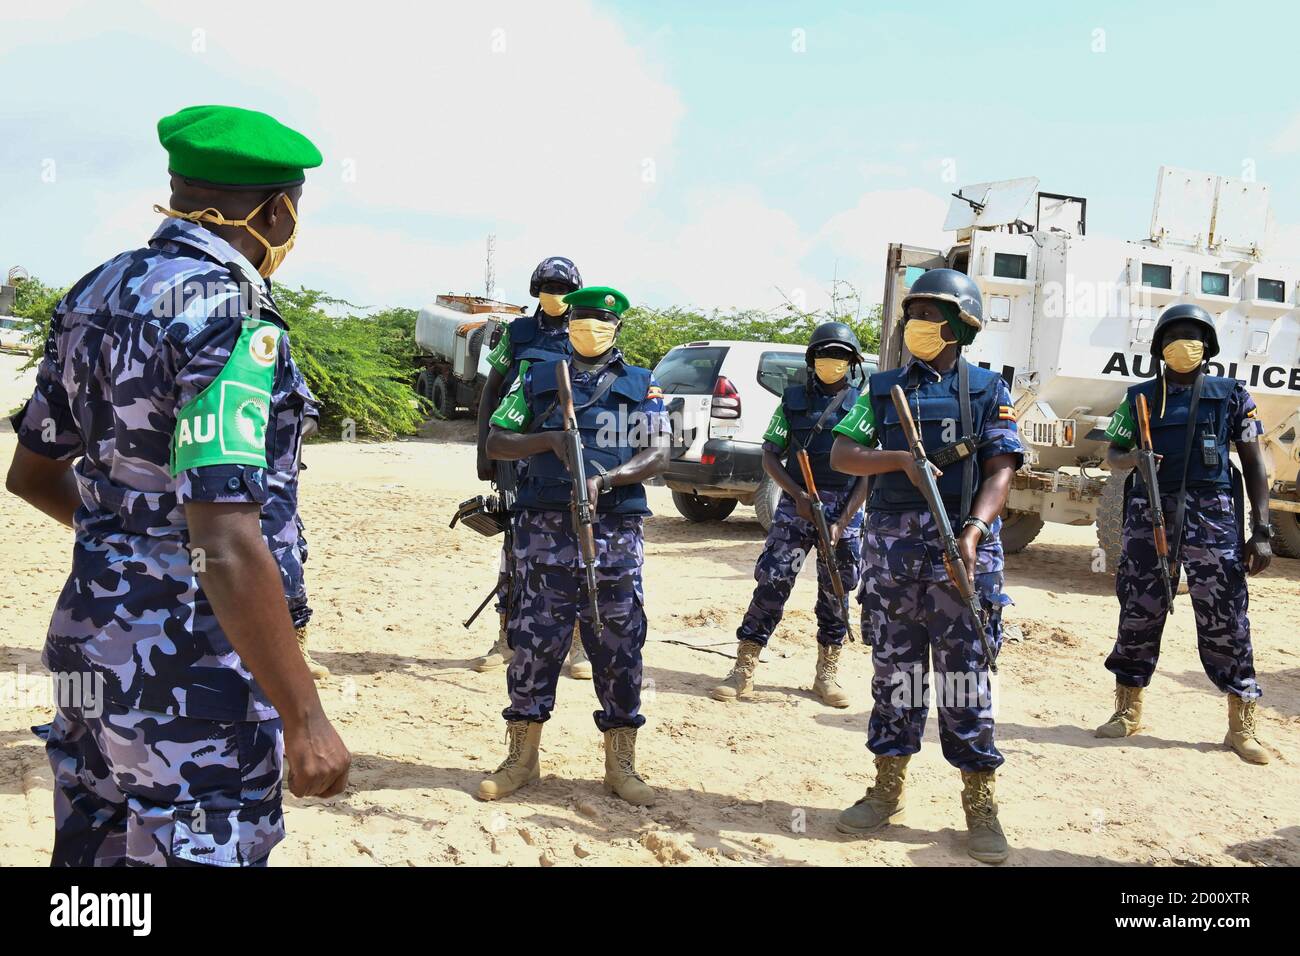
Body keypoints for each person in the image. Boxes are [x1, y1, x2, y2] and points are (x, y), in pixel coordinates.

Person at [4, 105, 350, 866]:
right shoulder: (231, 316)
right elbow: (224, 541)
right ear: (278, 209)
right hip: (192, 674)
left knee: (96, 870)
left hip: (90, 645)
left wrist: (131, 548)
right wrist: (305, 716)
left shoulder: (96, 290)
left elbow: (30, 473)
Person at [828, 268, 1022, 864]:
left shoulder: (990, 389)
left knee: (965, 677)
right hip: (891, 552)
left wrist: (976, 529)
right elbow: (842, 454)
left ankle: (979, 802)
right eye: (913, 315)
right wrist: (900, 462)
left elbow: (1002, 468)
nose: (917, 326)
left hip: (961, 547)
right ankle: (888, 788)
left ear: (961, 325)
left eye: (931, 315)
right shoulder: (884, 388)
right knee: (895, 673)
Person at [477, 286, 669, 805]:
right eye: (582, 319)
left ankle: (621, 764)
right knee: (534, 640)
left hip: (613, 533)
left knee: (619, 644)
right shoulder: (538, 377)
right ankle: (522, 757)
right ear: (570, 326)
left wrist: (609, 479)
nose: (592, 328)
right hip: (543, 529)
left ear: (617, 328)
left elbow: (659, 452)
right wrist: (549, 441)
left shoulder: (641, 383)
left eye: (602, 321)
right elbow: (497, 440)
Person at [1094, 303, 1273, 763]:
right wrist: (1133, 459)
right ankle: (1127, 710)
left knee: (1226, 616)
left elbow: (1254, 463)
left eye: (1193, 335)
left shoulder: (1232, 395)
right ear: (1159, 348)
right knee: (1138, 607)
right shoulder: (1139, 397)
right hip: (1148, 513)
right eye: (1174, 336)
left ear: (1208, 346)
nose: (1183, 344)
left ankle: (1241, 724)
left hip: (1213, 516)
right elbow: (1113, 453)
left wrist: (1263, 529)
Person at [711, 322, 869, 707]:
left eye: (841, 356)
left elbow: (868, 472)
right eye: (825, 355)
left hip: (843, 509)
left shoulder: (865, 403)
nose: (832, 363)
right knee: (772, 582)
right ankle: (743, 668)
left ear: (852, 363)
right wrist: (797, 495)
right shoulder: (793, 399)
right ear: (813, 359)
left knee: (837, 589)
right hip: (797, 505)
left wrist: (843, 520)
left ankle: (826, 674)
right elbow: (770, 454)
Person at [471, 256, 591, 680]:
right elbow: (492, 390)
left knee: (577, 545)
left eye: (563, 289)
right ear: (535, 290)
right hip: (515, 452)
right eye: (548, 287)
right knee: (513, 547)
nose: (555, 296)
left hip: (562, 459)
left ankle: (576, 645)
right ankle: (505, 637)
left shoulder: (584, 331)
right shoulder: (517, 332)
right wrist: (485, 451)